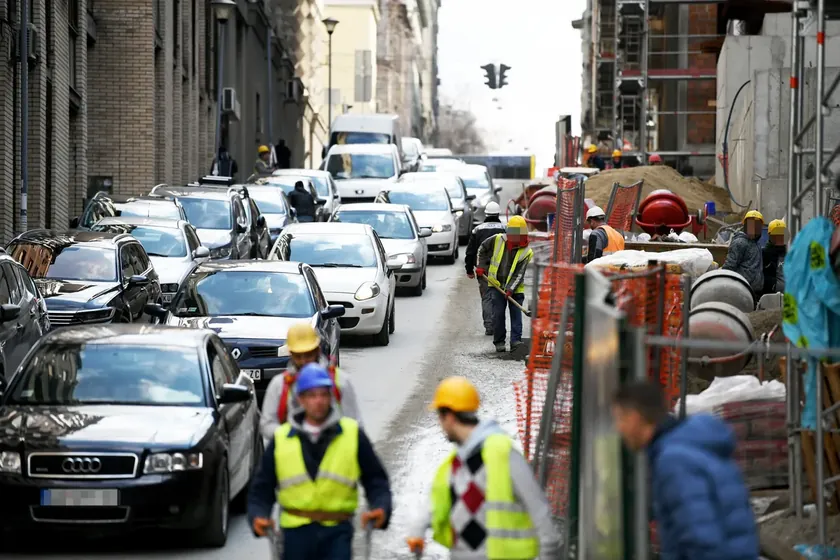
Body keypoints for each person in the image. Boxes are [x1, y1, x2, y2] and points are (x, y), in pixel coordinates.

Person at [405, 377, 561, 560]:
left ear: (449, 416)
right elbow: (436, 502)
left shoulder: (502, 452)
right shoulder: (455, 463)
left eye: (440, 418)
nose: (441, 426)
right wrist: (417, 531)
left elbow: (540, 512)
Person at [248, 364, 392, 560]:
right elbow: (261, 487)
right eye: (313, 395)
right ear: (301, 399)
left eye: (324, 395)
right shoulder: (281, 439)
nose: (319, 401)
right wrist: (258, 514)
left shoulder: (352, 434)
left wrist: (381, 506)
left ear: (331, 397)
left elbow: (376, 480)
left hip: (337, 532)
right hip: (295, 534)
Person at [611, 380, 759, 560]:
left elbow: (700, 538)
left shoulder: (674, 460)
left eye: (619, 419)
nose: (618, 428)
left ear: (634, 417)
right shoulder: (691, 445)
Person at [259, 322, 362, 442]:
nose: (303, 361)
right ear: (290, 353)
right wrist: (293, 436)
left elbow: (355, 424)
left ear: (317, 350)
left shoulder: (340, 381)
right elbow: (267, 424)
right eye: (298, 356)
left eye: (308, 355)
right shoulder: (279, 385)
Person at [475, 215, 533, 352]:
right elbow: (482, 249)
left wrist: (510, 289)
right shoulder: (497, 240)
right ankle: (499, 342)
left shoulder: (527, 251)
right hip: (495, 284)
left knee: (516, 314)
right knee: (498, 314)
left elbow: (519, 274)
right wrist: (481, 266)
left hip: (515, 288)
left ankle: (516, 342)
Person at [465, 201, 506, 336]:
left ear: (486, 214)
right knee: (499, 297)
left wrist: (469, 269)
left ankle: (489, 326)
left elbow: (470, 251)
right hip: (501, 268)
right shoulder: (505, 228)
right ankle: (498, 325)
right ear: (498, 213)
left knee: (487, 297)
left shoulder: (478, 229)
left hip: (483, 269)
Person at [723, 210, 765, 297]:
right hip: (743, 290)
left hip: (754, 291)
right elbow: (729, 266)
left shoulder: (756, 243)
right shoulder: (740, 243)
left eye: (756, 225)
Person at [762, 218, 786, 295]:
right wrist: (773, 285)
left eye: (781, 234)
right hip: (771, 297)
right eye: (776, 235)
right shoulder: (764, 253)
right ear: (770, 236)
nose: (779, 237)